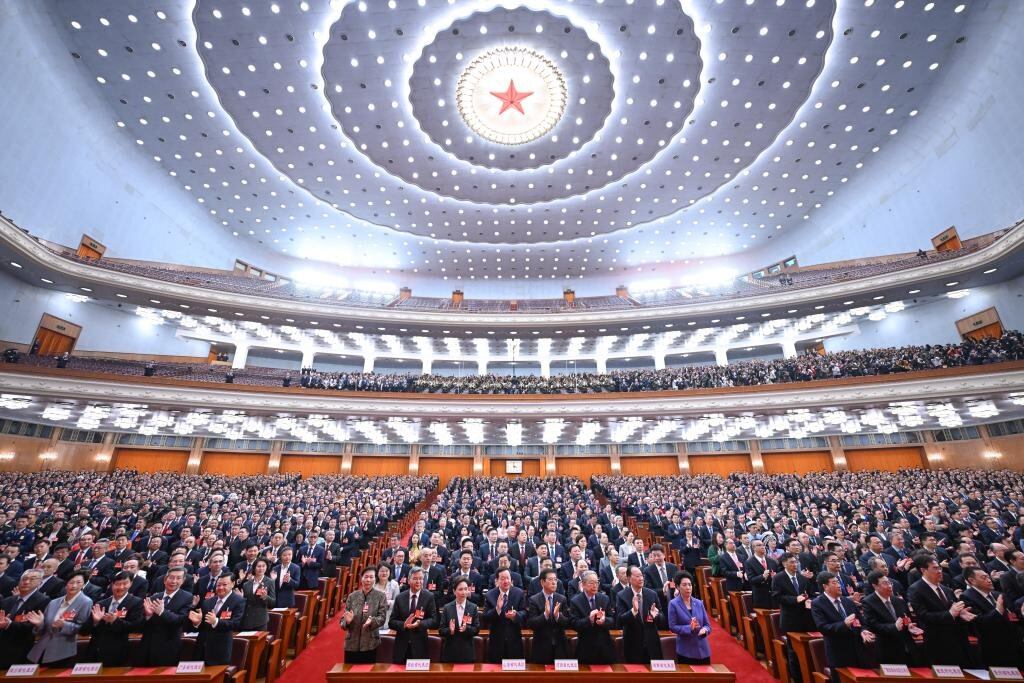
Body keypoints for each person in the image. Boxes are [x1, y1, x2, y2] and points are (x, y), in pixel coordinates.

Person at [906, 555, 973, 666]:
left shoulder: (946, 589)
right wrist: (950, 614)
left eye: (940, 568)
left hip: (957, 639)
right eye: (935, 568)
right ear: (923, 570)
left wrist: (961, 614)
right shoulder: (915, 589)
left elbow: (953, 610)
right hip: (937, 641)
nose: (939, 571)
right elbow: (923, 615)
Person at [811, 572, 876, 683]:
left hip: (859, 651)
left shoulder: (847, 601)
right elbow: (823, 627)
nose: (839, 585)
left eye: (838, 582)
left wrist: (863, 631)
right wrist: (844, 624)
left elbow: (862, 622)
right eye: (835, 583)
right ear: (825, 586)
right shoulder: (818, 603)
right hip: (839, 653)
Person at [26, 569, 93, 668]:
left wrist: (64, 625)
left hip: (63, 650)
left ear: (83, 585)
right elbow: (44, 629)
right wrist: (39, 624)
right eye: (71, 582)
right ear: (66, 584)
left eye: (78, 582)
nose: (74, 585)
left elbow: (83, 628)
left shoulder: (86, 602)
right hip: (41, 648)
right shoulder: (54, 602)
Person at [959, 567, 1020, 666]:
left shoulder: (998, 594)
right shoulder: (966, 597)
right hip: (992, 648)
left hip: (1013, 644)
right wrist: (997, 611)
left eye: (988, 577)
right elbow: (979, 622)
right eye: (984, 577)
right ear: (972, 581)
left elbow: (1013, 615)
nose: (989, 580)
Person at [83, 570, 145, 666]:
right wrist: (95, 622)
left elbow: (136, 627)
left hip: (118, 652)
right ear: (112, 585)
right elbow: (85, 631)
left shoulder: (136, 602)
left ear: (131, 584)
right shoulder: (101, 603)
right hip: (95, 651)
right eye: (117, 584)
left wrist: (115, 621)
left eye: (125, 584)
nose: (120, 587)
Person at [859, 571, 919, 665]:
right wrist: (894, 627)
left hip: (907, 648)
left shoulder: (899, 601)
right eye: (885, 583)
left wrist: (909, 626)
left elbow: (907, 619)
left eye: (890, 582)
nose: (890, 586)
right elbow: (873, 625)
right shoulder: (868, 602)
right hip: (887, 649)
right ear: (875, 586)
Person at [140, 566, 193, 666]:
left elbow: (181, 620)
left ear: (183, 581)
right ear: (165, 579)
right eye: (171, 577)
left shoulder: (187, 597)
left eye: (178, 578)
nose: (174, 581)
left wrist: (162, 613)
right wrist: (148, 616)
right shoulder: (154, 597)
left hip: (169, 645)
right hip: (149, 644)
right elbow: (142, 623)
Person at [188, 574, 245, 665]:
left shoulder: (238, 601)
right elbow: (203, 625)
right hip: (202, 648)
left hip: (220, 649)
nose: (220, 587)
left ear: (233, 584)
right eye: (218, 585)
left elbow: (236, 624)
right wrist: (197, 623)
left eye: (224, 585)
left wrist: (216, 621)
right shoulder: (207, 602)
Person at [0, 568, 51, 667]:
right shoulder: (7, 601)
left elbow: (32, 627)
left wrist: (9, 624)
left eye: (32, 579)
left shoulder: (43, 600)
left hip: (22, 648)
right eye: (24, 579)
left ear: (40, 582)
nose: (26, 582)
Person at [616, 565, 666, 663]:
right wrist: (633, 611)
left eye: (641, 575)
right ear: (629, 578)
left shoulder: (652, 594)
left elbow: (662, 619)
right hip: (633, 644)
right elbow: (619, 620)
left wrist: (656, 615)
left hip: (652, 643)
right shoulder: (622, 595)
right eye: (638, 576)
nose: (641, 578)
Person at [340, 567, 388, 664]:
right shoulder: (352, 596)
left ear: (375, 579)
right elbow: (343, 619)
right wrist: (347, 621)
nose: (368, 580)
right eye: (366, 577)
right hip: (352, 644)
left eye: (371, 577)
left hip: (370, 643)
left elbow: (382, 617)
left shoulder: (380, 596)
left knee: (367, 675)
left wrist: (372, 621)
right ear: (361, 578)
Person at [389, 567, 437, 664]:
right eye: (415, 578)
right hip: (402, 647)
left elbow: (434, 619)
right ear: (409, 580)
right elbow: (392, 622)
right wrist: (404, 624)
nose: (418, 581)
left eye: (421, 579)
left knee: (419, 678)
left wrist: (420, 624)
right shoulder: (400, 597)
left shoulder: (429, 597)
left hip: (420, 645)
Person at [569, 570, 616, 664]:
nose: (595, 585)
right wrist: (589, 620)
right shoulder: (575, 601)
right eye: (591, 583)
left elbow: (612, 620)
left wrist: (604, 621)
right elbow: (574, 624)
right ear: (583, 584)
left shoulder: (604, 598)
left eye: (597, 582)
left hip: (605, 647)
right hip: (586, 648)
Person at [526, 567, 571, 664]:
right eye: (550, 580)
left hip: (560, 646)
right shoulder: (534, 600)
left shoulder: (562, 599)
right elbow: (530, 624)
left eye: (555, 579)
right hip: (541, 647)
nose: (554, 582)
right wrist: (545, 615)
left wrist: (557, 616)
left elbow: (567, 622)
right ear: (542, 582)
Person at [482, 567, 527, 663]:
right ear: (497, 581)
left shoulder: (519, 593)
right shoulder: (490, 595)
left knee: (515, 673)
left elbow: (525, 612)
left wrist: (516, 615)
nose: (506, 581)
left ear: (511, 579)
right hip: (496, 640)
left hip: (514, 639)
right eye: (502, 578)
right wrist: (497, 609)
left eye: (508, 578)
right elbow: (485, 617)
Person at [667, 571, 712, 665]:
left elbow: (708, 625)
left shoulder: (699, 603)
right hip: (686, 651)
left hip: (703, 650)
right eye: (684, 585)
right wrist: (689, 628)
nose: (688, 587)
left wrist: (705, 630)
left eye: (690, 584)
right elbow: (672, 626)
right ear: (678, 587)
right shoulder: (673, 604)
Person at [438, 576, 480, 663]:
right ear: (454, 591)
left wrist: (467, 628)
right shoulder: (447, 608)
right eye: (460, 589)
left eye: (465, 589)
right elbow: (441, 630)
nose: (463, 592)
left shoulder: (473, 607)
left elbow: (476, 629)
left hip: (467, 653)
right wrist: (450, 630)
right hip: (450, 653)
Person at [239, 558, 275, 631]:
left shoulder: (270, 582)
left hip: (261, 620)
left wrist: (266, 597)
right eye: (259, 566)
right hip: (247, 619)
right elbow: (245, 602)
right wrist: (241, 598)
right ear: (254, 568)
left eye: (263, 566)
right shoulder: (246, 584)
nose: (261, 568)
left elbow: (273, 602)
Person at [746, 540, 778, 609]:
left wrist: (775, 577)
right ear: (753, 548)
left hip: (773, 595)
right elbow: (751, 580)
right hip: (760, 596)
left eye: (763, 545)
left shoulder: (772, 561)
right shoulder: (749, 562)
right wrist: (762, 576)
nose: (763, 547)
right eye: (759, 545)